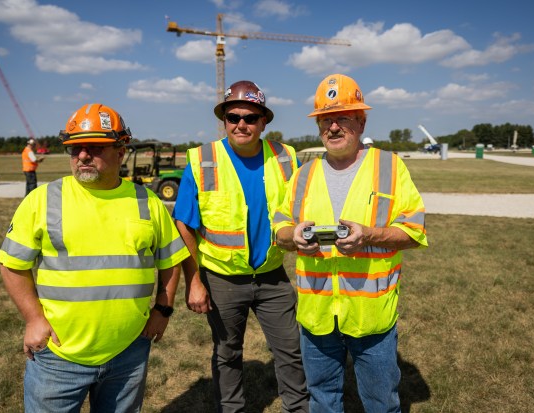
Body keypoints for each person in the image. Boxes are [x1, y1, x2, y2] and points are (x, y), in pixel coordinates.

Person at [0, 103, 190, 412]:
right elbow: (11, 264)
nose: (83, 156)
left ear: (121, 149)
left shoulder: (147, 202)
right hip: (58, 357)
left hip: (128, 352)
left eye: (94, 147)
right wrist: (34, 319)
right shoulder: (43, 200)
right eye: (75, 149)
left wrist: (162, 311)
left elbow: (169, 262)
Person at [274, 74, 428, 413]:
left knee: (380, 404)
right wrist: (293, 237)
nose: (332, 127)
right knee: (322, 400)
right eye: (325, 119)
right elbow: (280, 227)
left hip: (371, 315)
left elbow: (415, 230)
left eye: (342, 117)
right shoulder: (302, 175)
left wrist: (369, 235)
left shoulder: (389, 166)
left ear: (361, 121)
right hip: (317, 315)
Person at [173, 80, 309, 412]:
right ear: (224, 120)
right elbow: (184, 224)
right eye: (233, 117)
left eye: (250, 117)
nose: (241, 124)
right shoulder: (203, 159)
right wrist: (193, 282)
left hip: (272, 275)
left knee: (291, 349)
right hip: (221, 278)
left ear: (264, 121)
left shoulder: (285, 157)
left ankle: (299, 407)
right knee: (227, 352)